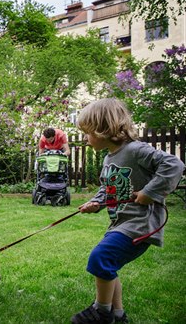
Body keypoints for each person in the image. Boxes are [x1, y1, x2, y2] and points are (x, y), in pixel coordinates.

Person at [71, 98, 184, 324]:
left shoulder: (135, 150)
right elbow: (108, 187)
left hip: (140, 224)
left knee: (101, 258)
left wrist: (149, 192)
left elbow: (174, 165)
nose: (85, 139)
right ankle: (118, 315)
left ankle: (101, 312)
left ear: (104, 129)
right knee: (108, 265)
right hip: (120, 223)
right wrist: (96, 202)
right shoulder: (108, 158)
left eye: (88, 133)